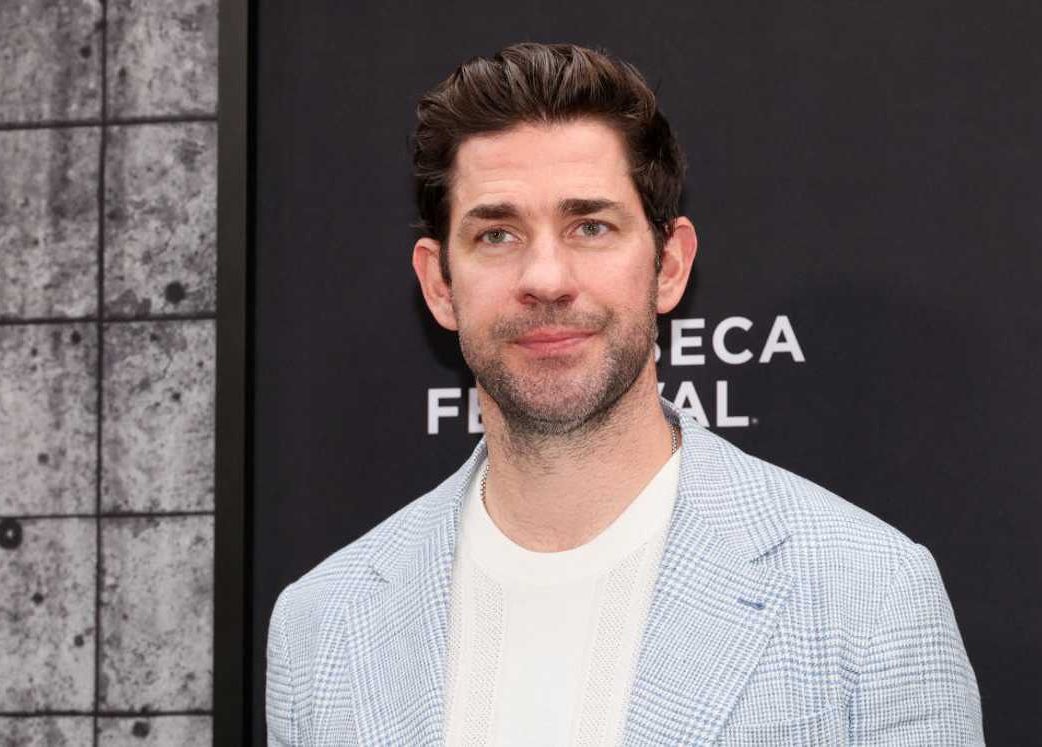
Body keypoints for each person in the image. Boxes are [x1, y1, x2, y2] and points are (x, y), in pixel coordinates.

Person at [266, 43, 983, 745]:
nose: (546, 279)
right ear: (438, 284)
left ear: (669, 266)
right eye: (497, 235)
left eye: (590, 226)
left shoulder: (870, 595)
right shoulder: (321, 628)